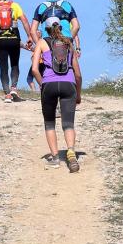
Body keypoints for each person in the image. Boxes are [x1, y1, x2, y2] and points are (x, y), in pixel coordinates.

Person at [31, 21, 83, 172]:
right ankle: (71, 153)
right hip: (69, 85)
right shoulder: (68, 44)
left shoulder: (41, 42)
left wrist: (43, 85)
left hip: (49, 85)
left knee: (49, 123)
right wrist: (78, 94)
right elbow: (78, 75)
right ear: (60, 28)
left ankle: (55, 158)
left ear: (46, 30)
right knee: (68, 123)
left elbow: (35, 69)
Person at [0, 0, 35, 103]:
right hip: (14, 39)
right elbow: (25, 21)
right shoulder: (15, 6)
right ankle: (14, 88)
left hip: (0, 40)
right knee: (14, 64)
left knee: (3, 67)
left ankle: (7, 94)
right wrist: (29, 36)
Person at [28, 0, 80, 91]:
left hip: (47, 42)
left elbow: (33, 30)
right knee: (72, 69)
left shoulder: (41, 6)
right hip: (65, 40)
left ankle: (49, 92)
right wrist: (69, 39)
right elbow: (76, 26)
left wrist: (40, 45)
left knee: (49, 69)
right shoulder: (67, 5)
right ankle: (71, 94)